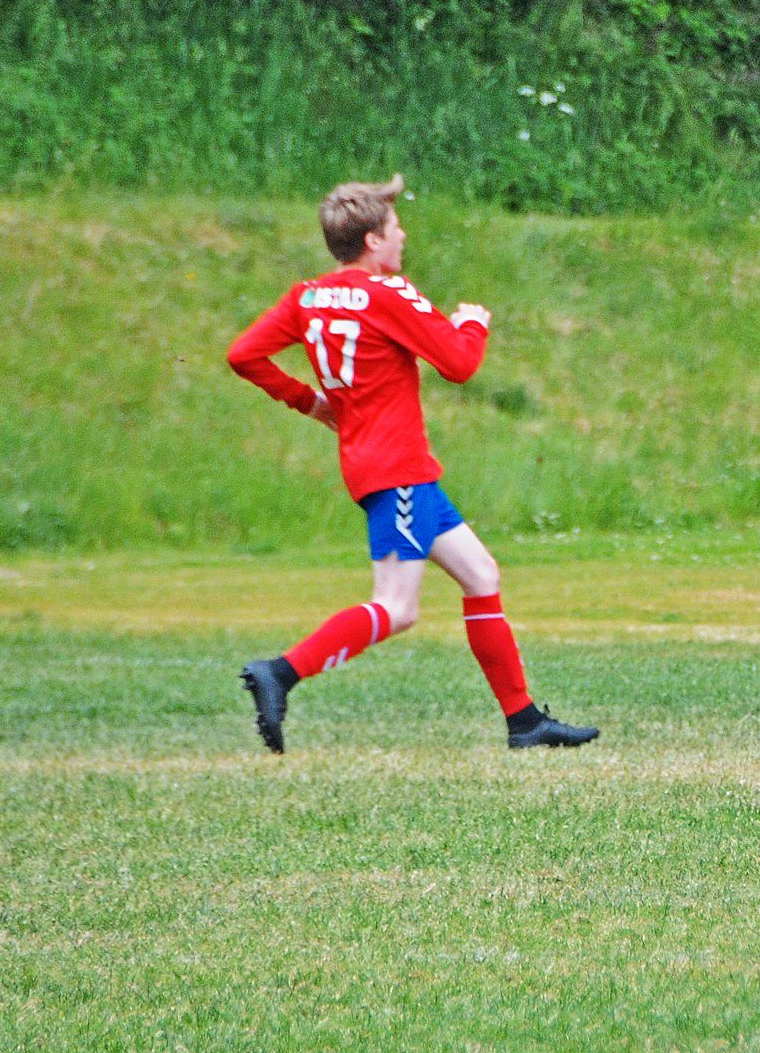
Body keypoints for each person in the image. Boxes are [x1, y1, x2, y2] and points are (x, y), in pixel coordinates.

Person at [228, 176, 596, 754]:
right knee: (396, 608)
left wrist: (309, 400)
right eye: (396, 228)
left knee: (481, 576)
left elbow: (242, 354)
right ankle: (282, 671)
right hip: (396, 469)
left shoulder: (306, 297)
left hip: (386, 466)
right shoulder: (389, 295)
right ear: (374, 240)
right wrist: (472, 321)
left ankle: (523, 720)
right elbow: (458, 363)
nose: (403, 237)